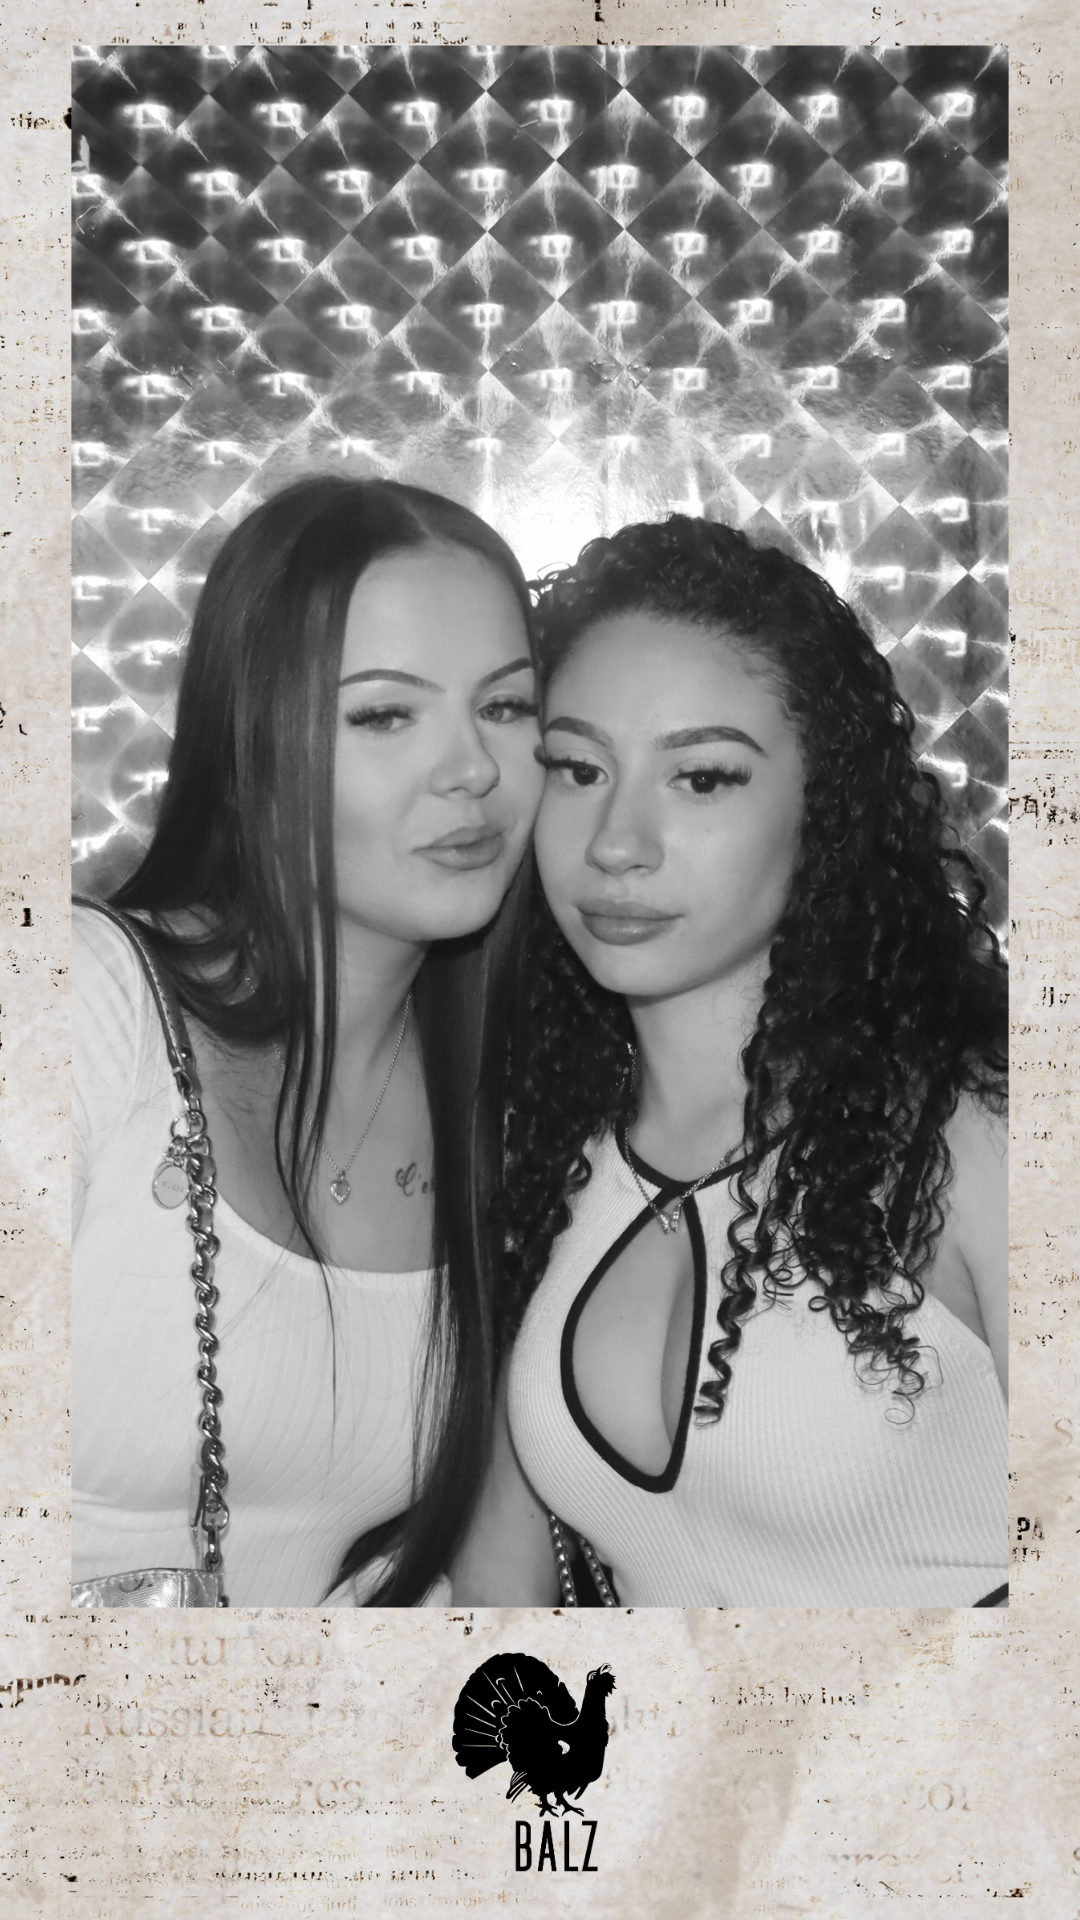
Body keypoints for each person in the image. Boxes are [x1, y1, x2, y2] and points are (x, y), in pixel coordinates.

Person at [453, 514, 1008, 1610]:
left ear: (823, 808)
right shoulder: (539, 1150)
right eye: (578, 769)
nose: (617, 843)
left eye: (703, 779)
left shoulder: (973, 1129)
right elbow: (498, 1603)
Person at [72, 475, 544, 1607]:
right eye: (385, 715)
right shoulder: (85, 1001)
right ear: (254, 740)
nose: (473, 769)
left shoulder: (510, 1105)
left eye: (507, 707)